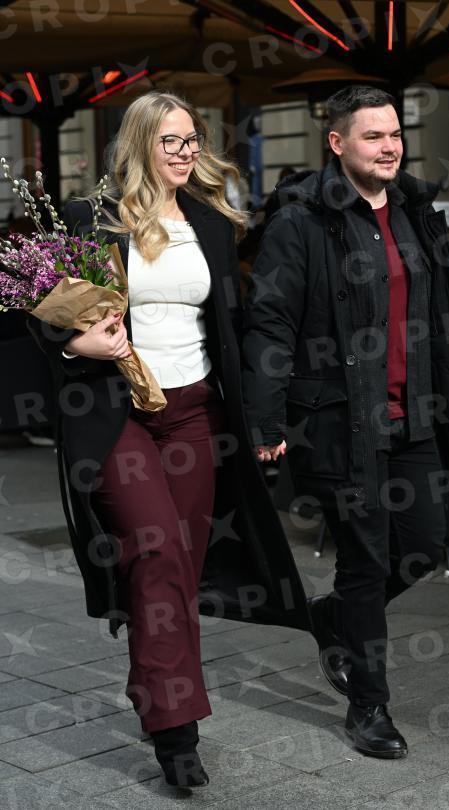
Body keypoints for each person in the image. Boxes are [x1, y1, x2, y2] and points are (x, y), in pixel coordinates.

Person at [28, 90, 309, 789]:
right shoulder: (90, 218)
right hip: (117, 412)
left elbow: (232, 327)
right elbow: (39, 312)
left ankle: (156, 688)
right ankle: (175, 729)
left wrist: (264, 417)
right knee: (154, 549)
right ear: (140, 144)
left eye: (192, 140)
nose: (186, 153)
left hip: (195, 414)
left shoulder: (211, 224)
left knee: (178, 564)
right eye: (171, 141)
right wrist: (74, 344)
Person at [241, 85, 449, 760]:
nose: (389, 147)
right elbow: (271, 323)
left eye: (395, 134)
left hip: (418, 416)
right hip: (341, 419)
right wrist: (265, 418)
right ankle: (368, 705)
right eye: (373, 136)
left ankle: (332, 617)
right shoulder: (301, 220)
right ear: (337, 143)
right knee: (365, 558)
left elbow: (446, 311)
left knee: (426, 544)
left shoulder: (415, 210)